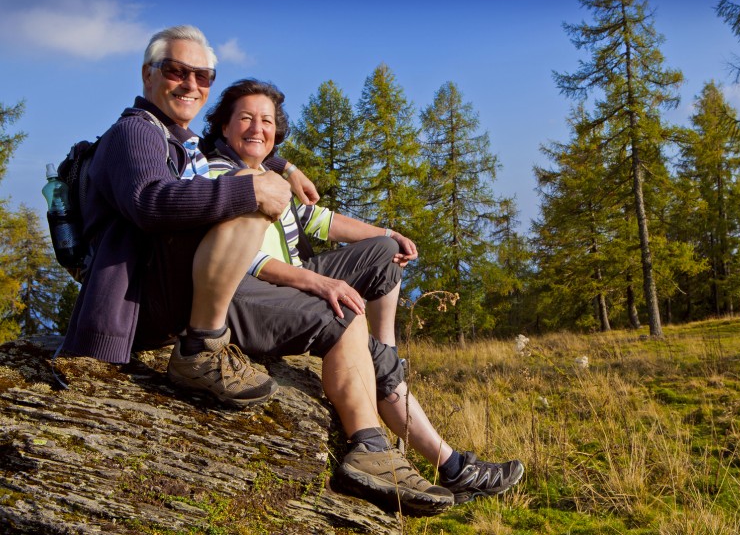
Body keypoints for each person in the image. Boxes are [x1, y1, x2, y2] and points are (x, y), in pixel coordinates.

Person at [61, 25, 455, 517]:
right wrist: (255, 191)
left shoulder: (179, 142)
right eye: (175, 71)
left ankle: (372, 439)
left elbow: (246, 150)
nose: (190, 84)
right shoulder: (135, 132)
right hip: (141, 302)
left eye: (202, 75)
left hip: (177, 289)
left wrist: (283, 169)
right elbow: (148, 203)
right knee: (258, 200)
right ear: (147, 74)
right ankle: (204, 348)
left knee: (342, 310)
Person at [200, 78, 525, 507]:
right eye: (245, 118)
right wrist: (317, 281)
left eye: (266, 121)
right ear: (224, 126)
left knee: (386, 252)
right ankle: (445, 464)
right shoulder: (220, 175)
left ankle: (388, 355)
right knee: (346, 318)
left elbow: (322, 222)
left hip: (292, 277)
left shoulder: (270, 174)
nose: (257, 128)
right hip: (252, 292)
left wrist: (389, 233)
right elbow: (241, 261)